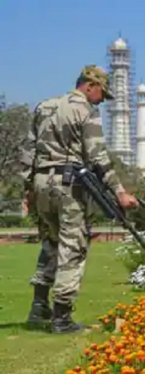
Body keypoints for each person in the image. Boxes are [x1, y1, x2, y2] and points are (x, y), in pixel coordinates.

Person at [19, 65, 138, 334]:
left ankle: (39, 306)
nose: (100, 100)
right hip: (68, 185)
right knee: (73, 245)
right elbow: (97, 156)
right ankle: (62, 317)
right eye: (100, 94)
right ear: (89, 85)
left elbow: (28, 151)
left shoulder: (44, 107)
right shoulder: (86, 111)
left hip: (40, 183)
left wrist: (28, 189)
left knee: (50, 241)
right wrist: (119, 192)